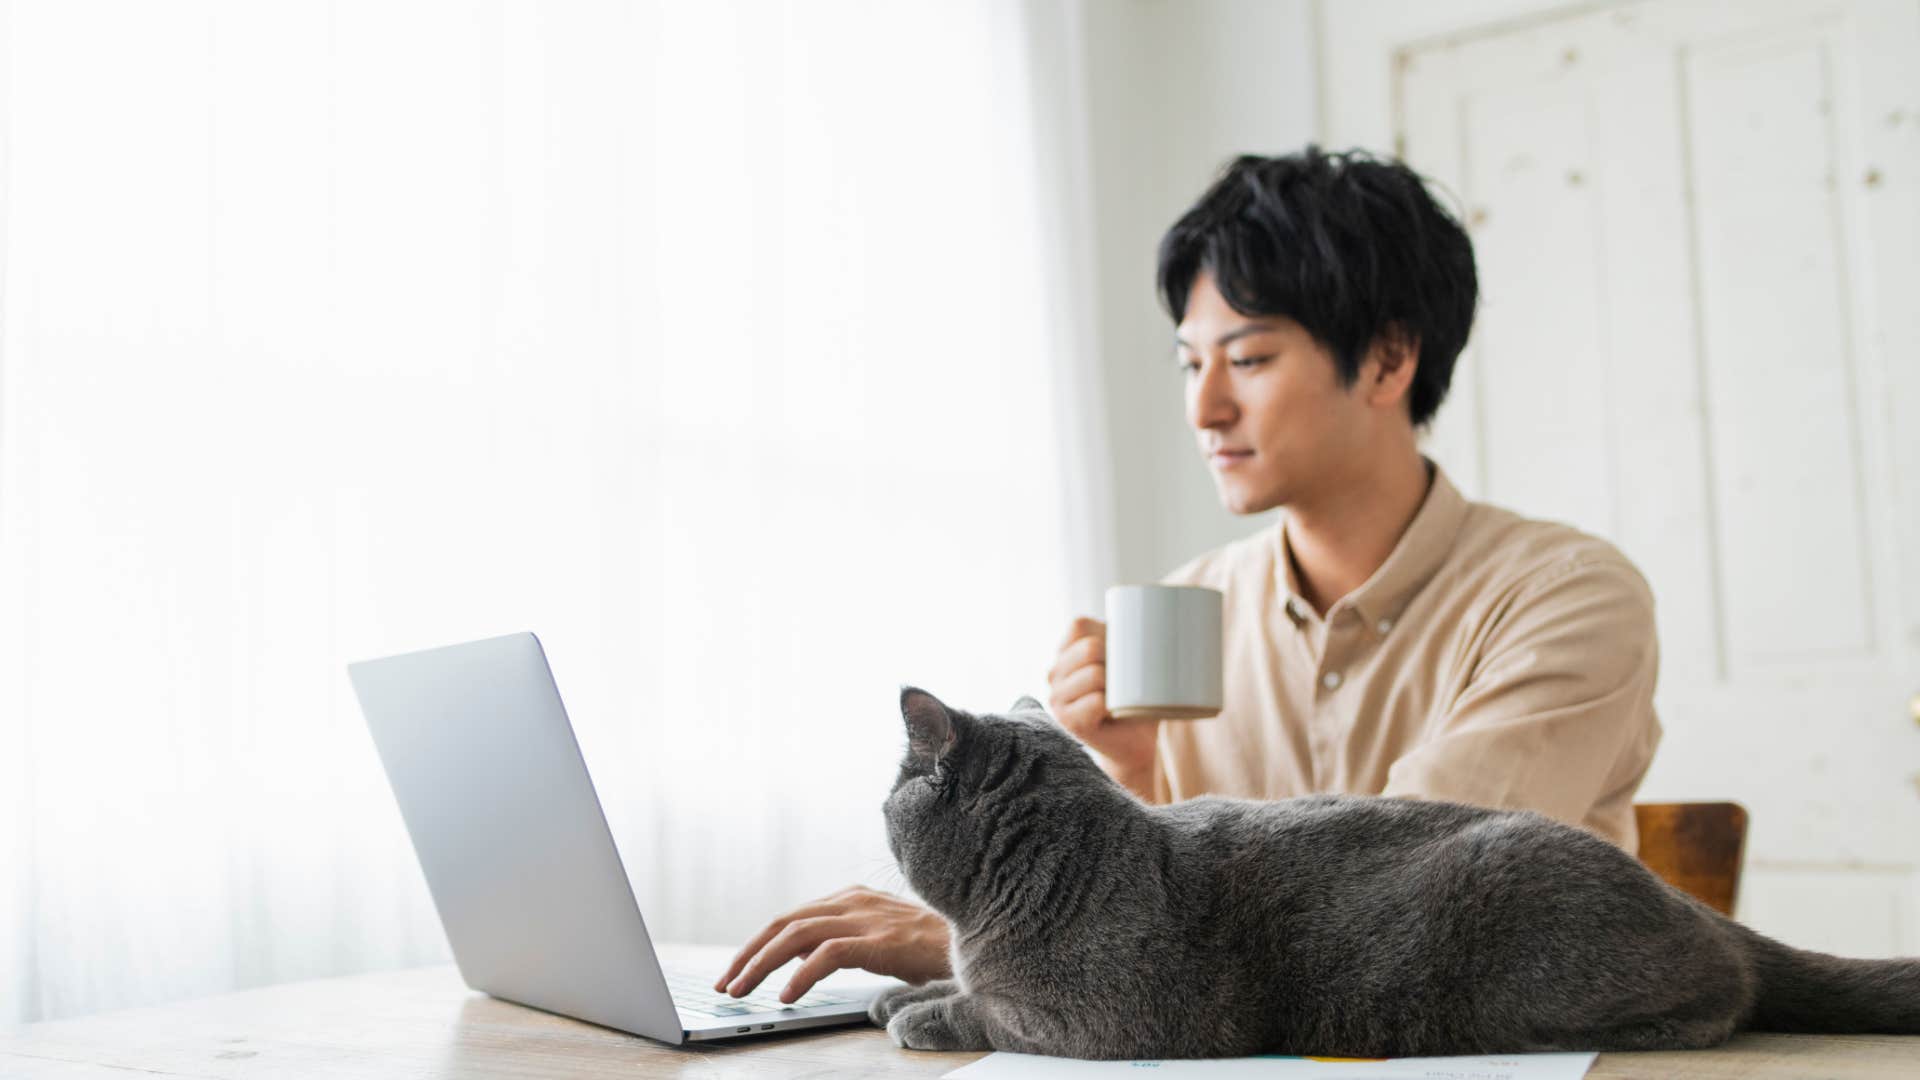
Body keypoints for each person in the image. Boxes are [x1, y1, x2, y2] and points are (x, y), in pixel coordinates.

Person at [713, 146, 1662, 1006]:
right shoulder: (1192, 601)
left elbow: (1422, 877)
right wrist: (1129, 770)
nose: (1205, 407)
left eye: (1248, 358)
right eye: (1188, 363)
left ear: (1387, 358)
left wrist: (985, 935)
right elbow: (1179, 933)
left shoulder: (1567, 595)